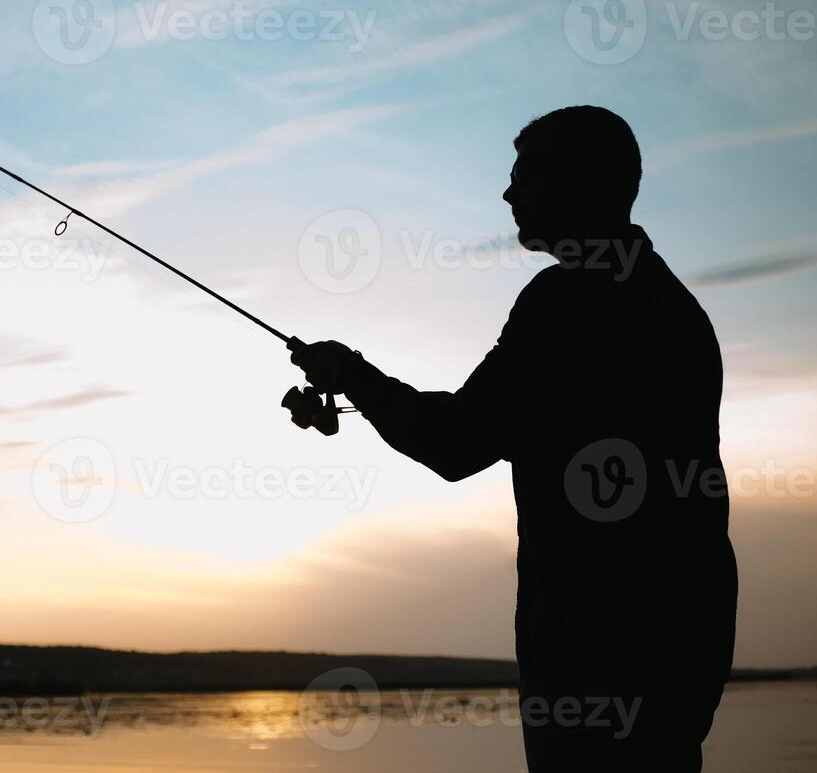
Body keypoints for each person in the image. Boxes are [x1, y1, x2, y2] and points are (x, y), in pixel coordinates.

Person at [291, 106, 738, 772]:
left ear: (581, 181)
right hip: (679, 654)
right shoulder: (673, 305)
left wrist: (350, 373)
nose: (509, 193)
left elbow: (454, 441)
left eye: (525, 176)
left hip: (595, 663)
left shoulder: (565, 302)